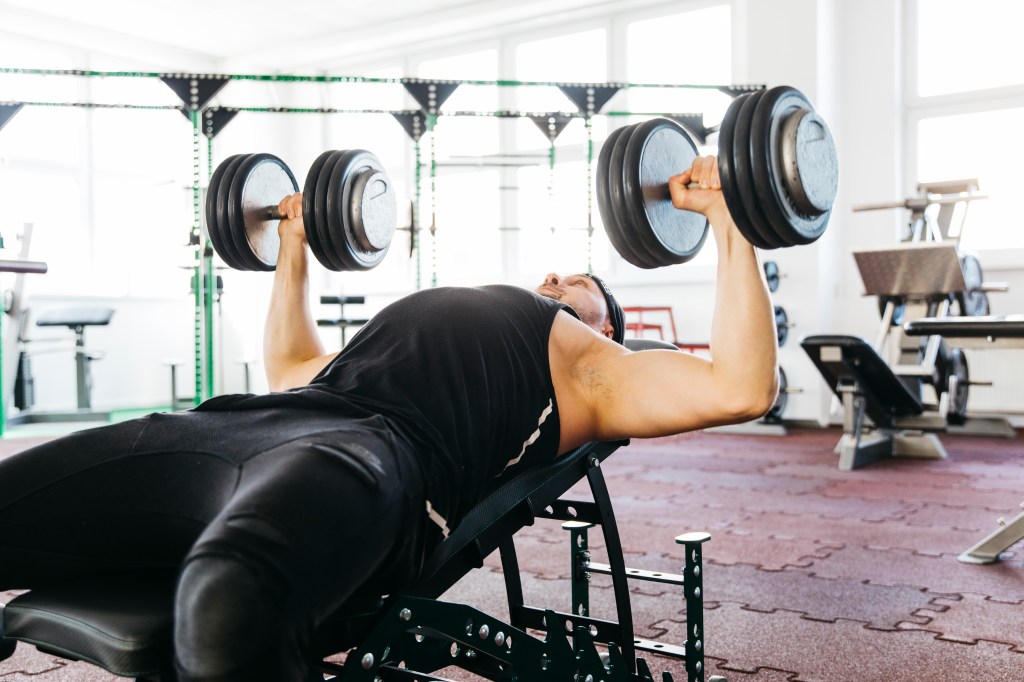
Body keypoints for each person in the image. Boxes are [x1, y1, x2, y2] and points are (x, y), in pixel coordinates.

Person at [0, 155, 777, 681]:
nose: (552, 277)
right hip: (243, 425)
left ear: (605, 325)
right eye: (551, 271)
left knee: (227, 600)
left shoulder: (595, 368)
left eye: (576, 280)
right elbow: (293, 367)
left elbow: (742, 386)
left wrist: (730, 216)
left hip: (370, 457)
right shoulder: (435, 315)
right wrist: (296, 243)